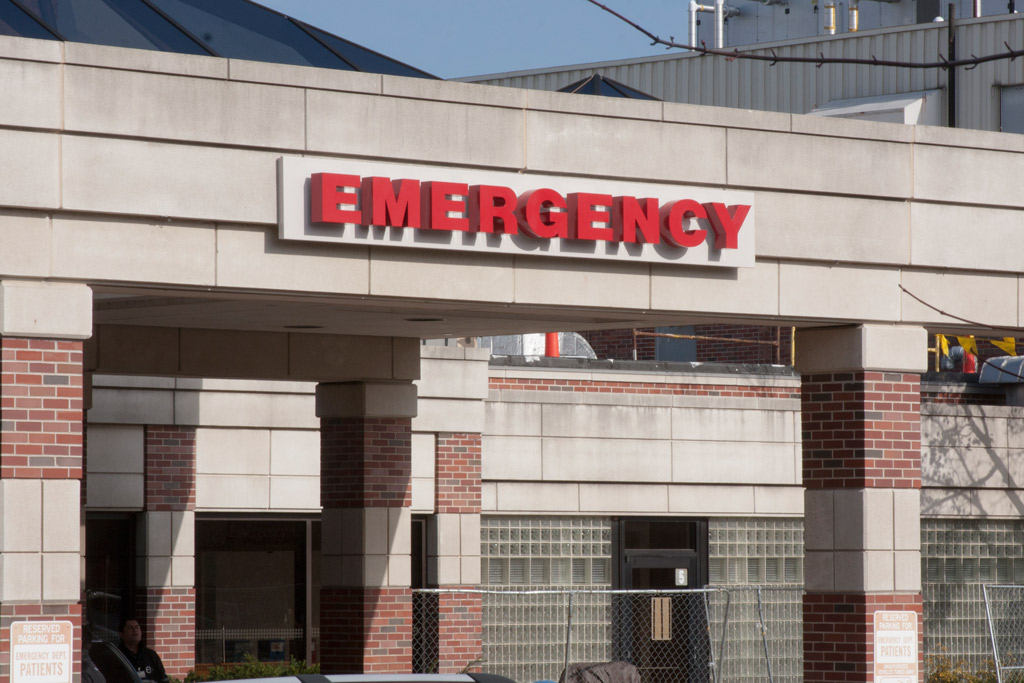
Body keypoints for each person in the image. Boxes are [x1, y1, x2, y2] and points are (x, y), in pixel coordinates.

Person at [117, 618, 169, 683]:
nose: (135, 630)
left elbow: (163, 680)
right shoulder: (117, 656)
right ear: (121, 634)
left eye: (137, 627)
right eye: (130, 628)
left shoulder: (151, 656)